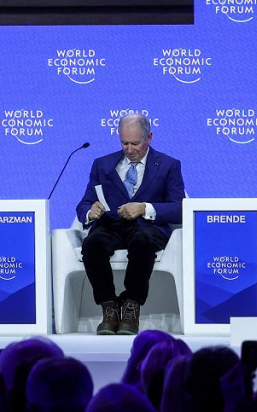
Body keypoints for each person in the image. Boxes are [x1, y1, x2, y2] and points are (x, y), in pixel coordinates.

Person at [76, 113, 185, 335]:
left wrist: (145, 208)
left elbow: (180, 208)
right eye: (124, 143)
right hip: (110, 226)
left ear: (150, 137)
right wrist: (90, 211)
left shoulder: (168, 165)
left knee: (142, 242)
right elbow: (84, 203)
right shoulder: (102, 164)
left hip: (147, 227)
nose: (129, 149)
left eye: (135, 143)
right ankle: (109, 308)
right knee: (92, 245)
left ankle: (131, 306)